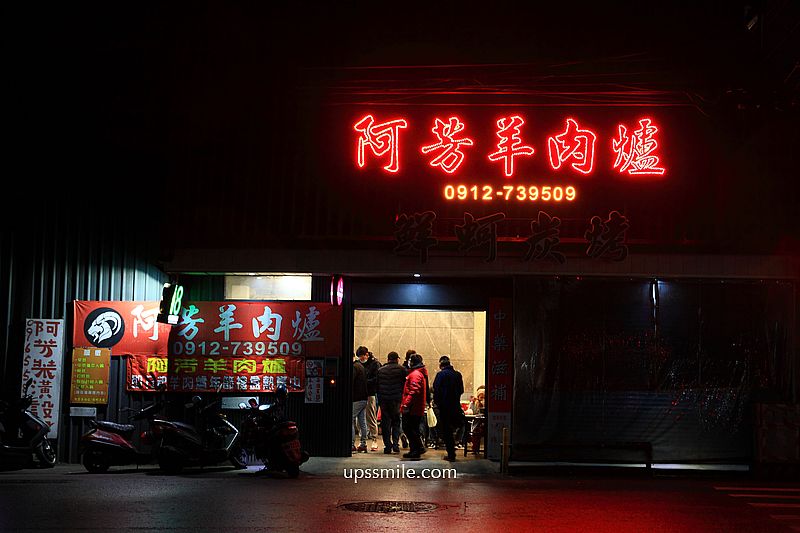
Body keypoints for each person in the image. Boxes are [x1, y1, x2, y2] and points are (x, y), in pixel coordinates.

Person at [432, 355, 464, 461]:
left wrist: (437, 403)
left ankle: (451, 454)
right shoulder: (458, 375)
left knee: (446, 430)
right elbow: (461, 390)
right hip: (455, 406)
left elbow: (436, 390)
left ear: (441, 365)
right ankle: (454, 448)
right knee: (456, 427)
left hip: (444, 407)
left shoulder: (440, 375)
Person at [376, 351, 407, 454]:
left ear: (388, 359)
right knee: (396, 422)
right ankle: (395, 445)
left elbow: (377, 386)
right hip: (396, 400)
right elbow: (405, 384)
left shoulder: (380, 371)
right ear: (396, 359)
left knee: (386, 423)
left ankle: (387, 446)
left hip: (384, 400)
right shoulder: (402, 370)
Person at [400, 353, 429, 459]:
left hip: (412, 408)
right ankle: (414, 450)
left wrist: (406, 404)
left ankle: (418, 448)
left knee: (409, 428)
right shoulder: (418, 373)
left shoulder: (415, 374)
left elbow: (413, 390)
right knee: (412, 429)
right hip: (416, 407)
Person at [357, 346, 382, 450]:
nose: (360, 359)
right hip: (360, 394)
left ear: (366, 354)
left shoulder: (375, 364)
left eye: (362, 357)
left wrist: (364, 382)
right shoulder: (358, 365)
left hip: (370, 393)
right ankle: (362, 440)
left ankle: (374, 439)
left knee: (371, 417)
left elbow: (376, 379)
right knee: (360, 419)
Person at [352, 354, 368, 453]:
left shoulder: (354, 367)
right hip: (363, 397)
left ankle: (351, 444)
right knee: (362, 421)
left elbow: (351, 382)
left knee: (350, 419)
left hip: (356, 398)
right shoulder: (361, 366)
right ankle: (363, 444)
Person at [467, 385, 486, 454]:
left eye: (484, 397)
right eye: (481, 397)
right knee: (476, 431)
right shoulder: (474, 403)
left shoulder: (488, 403)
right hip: (477, 423)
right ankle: (475, 449)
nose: (482, 399)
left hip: (486, 423)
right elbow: (471, 411)